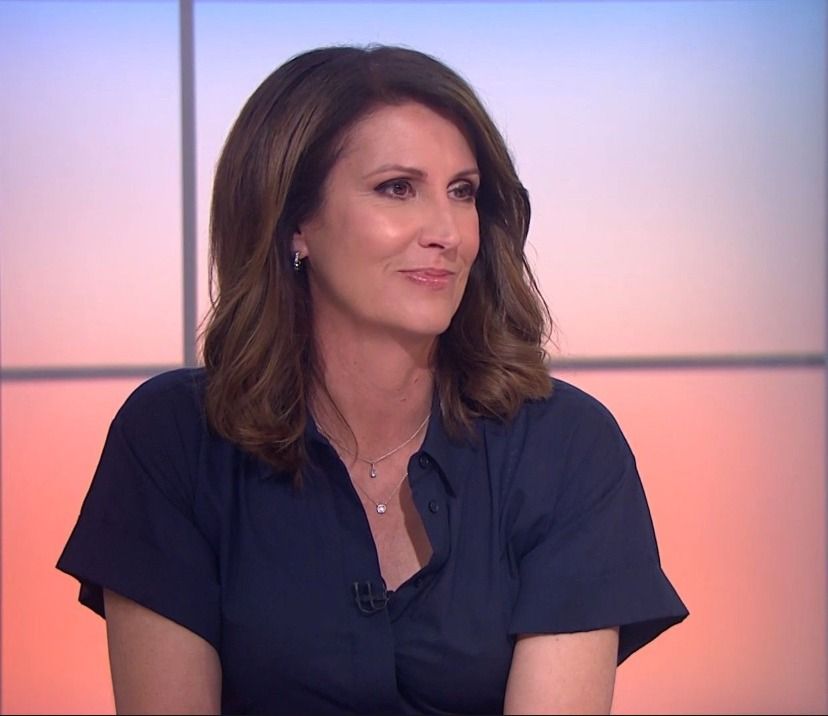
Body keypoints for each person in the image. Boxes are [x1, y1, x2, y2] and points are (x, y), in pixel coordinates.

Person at [57, 44, 688, 715]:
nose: (446, 231)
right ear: (295, 222)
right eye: (398, 188)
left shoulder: (567, 447)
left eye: (463, 192)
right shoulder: (174, 442)